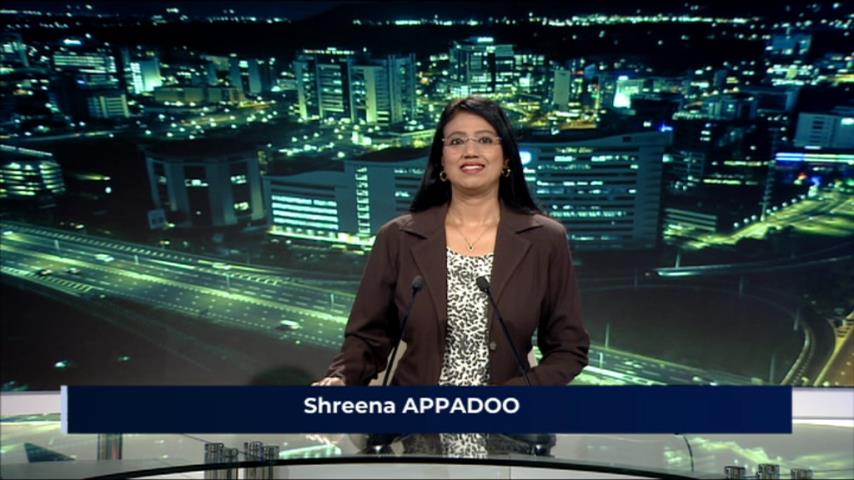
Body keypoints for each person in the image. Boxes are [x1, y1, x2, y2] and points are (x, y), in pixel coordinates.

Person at [314, 96, 589, 388]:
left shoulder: (545, 239)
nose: (470, 151)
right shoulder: (397, 238)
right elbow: (368, 338)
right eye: (456, 141)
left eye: (485, 140)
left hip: (505, 413)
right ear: (442, 160)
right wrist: (340, 377)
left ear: (506, 158)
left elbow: (568, 349)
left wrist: (517, 395)